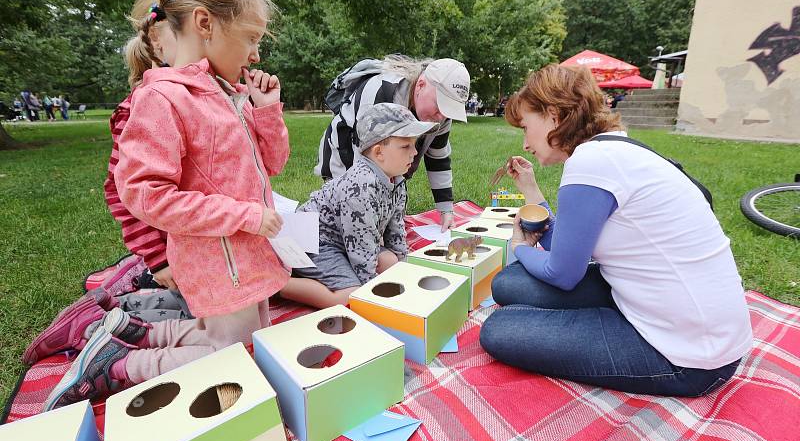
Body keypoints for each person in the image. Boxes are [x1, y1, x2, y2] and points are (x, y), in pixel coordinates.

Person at [36, 0, 288, 410]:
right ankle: (120, 365)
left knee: (247, 338)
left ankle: (141, 331)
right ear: (205, 22)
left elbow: (273, 164)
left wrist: (266, 110)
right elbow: (143, 192)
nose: (256, 54)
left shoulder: (229, 95)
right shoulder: (161, 97)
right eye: (251, 38)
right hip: (217, 261)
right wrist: (245, 215)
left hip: (246, 256)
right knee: (237, 356)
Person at [479, 64, 752, 397]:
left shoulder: (589, 163)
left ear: (554, 114)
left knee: (499, 329)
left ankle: (603, 324)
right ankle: (598, 318)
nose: (524, 143)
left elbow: (562, 273)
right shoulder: (614, 149)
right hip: (669, 310)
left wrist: (520, 247)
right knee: (509, 284)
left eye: (526, 127)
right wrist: (531, 192)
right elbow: (569, 247)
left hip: (690, 356)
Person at [283, 103, 436, 308]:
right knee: (351, 295)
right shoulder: (360, 189)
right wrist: (373, 297)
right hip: (315, 242)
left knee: (391, 262)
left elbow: (396, 230)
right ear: (379, 152)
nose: (415, 152)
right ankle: (277, 284)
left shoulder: (397, 180)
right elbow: (362, 256)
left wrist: (404, 273)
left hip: (348, 241)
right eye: (405, 146)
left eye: (414, 144)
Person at [314, 55, 470, 232]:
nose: (442, 116)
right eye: (439, 104)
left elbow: (438, 159)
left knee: (389, 224)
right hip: (346, 159)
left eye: (449, 109)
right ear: (420, 85)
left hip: (387, 167)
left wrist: (446, 210)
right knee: (348, 226)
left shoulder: (441, 117)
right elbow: (363, 163)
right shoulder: (381, 92)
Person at [103, 0, 179, 294]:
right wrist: (158, 259)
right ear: (159, 42)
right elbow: (121, 192)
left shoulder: (203, 98)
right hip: (173, 255)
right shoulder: (138, 110)